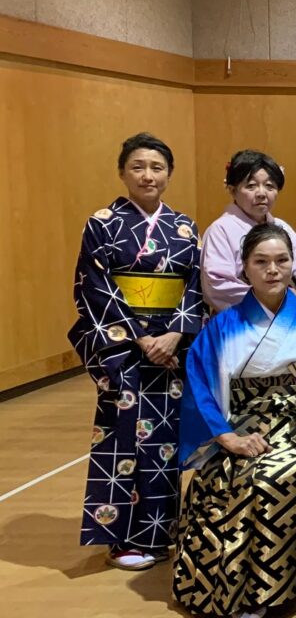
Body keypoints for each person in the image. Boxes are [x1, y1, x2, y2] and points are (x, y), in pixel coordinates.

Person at [174, 224, 296, 618]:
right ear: (244, 268)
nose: (273, 270)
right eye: (261, 262)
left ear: (293, 265)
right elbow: (201, 386)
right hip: (246, 424)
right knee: (261, 475)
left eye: (281, 261)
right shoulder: (222, 327)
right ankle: (254, 587)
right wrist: (227, 436)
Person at [69, 132, 203, 570]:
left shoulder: (184, 227)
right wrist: (140, 335)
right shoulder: (103, 223)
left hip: (170, 347)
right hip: (124, 348)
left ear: (169, 173)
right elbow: (94, 284)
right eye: (138, 167)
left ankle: (160, 531)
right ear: (123, 171)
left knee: (164, 441)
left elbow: (196, 285)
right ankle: (122, 536)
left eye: (157, 167)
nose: (148, 175)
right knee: (121, 435)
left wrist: (176, 334)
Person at [200, 149, 296, 311]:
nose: (262, 194)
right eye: (251, 186)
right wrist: (270, 297)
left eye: (270, 186)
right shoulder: (221, 230)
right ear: (232, 189)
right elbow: (216, 285)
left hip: (287, 313)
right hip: (242, 320)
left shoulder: (282, 227)